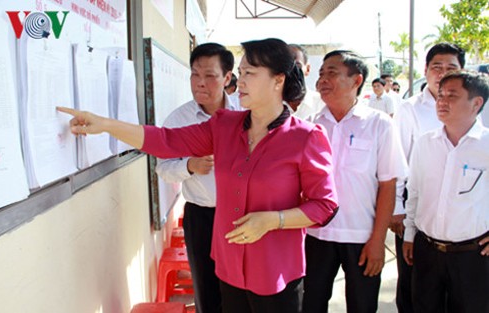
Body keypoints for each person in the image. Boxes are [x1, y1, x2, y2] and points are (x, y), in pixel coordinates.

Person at [58, 38, 338, 313]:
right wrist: (106, 124)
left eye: (249, 74)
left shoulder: (305, 137)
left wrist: (273, 220)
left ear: (278, 80)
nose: (239, 82)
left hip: (275, 270)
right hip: (229, 266)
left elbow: (325, 205)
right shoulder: (224, 126)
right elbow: (165, 140)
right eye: (240, 73)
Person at [303, 50, 407, 313]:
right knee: (310, 304)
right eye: (321, 74)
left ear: (357, 80)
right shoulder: (310, 126)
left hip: (362, 237)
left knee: (362, 306)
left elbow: (388, 185)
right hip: (315, 235)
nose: (323, 80)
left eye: (332, 73)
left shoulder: (379, 125)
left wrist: (377, 241)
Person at [155, 42, 239, 313]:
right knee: (206, 289)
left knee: (241, 288)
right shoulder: (179, 119)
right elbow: (163, 168)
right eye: (195, 74)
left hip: (242, 216)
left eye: (210, 76)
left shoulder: (245, 115)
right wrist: (189, 165)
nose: (200, 83)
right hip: (202, 217)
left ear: (227, 78)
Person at [403, 70, 489, 313]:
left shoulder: (486, 145)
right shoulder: (425, 143)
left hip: (472, 256)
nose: (441, 101)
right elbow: (415, 192)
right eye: (440, 95)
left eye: (452, 95)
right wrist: (410, 235)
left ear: (476, 103)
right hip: (427, 251)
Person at [393, 42, 465, 313]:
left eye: (451, 67)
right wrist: (398, 210)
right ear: (425, 70)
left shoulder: (480, 108)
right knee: (415, 288)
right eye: (437, 67)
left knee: (462, 293)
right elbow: (398, 160)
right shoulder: (410, 109)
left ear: (462, 71)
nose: (443, 73)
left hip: (465, 216)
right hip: (418, 211)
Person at [287, 44, 325, 119]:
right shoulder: (267, 106)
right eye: (286, 66)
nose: (291, 71)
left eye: (297, 66)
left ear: (307, 69)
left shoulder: (322, 104)